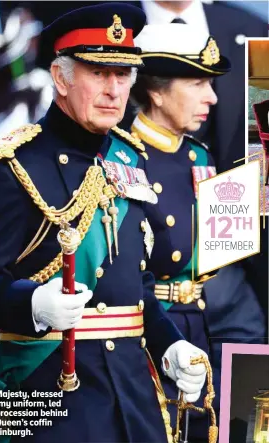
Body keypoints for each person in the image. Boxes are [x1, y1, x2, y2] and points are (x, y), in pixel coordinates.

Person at [0, 4, 209, 443]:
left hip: (132, 397)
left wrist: (169, 344)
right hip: (38, 397)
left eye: (123, 74)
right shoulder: (9, 166)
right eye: (99, 73)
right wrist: (33, 304)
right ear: (61, 77)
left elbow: (134, 286)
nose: (114, 90)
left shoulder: (130, 158)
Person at [130, 23, 266, 442]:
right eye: (198, 83)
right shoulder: (118, 158)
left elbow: (217, 253)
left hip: (210, 329)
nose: (212, 97)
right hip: (150, 341)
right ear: (155, 90)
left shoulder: (198, 154)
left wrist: (258, 189)